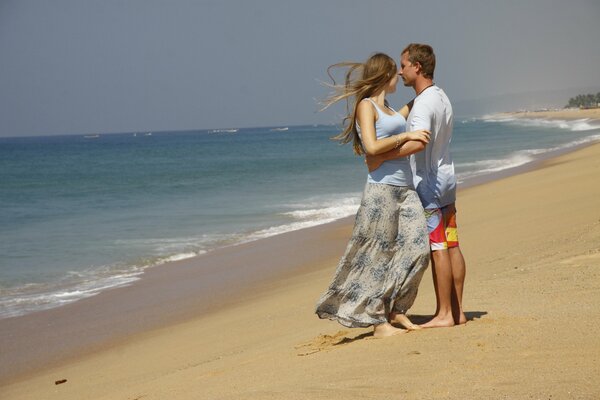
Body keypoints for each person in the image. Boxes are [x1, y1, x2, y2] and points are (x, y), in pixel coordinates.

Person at [315, 53, 431, 337]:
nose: (399, 78)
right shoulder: (367, 107)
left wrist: (428, 91)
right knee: (378, 256)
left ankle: (396, 309)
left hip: (406, 189)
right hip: (381, 192)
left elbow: (403, 115)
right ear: (386, 75)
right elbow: (371, 147)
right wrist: (407, 137)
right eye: (396, 73)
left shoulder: (390, 109)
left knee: (419, 249)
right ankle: (379, 323)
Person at [367, 44, 467, 328]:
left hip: (428, 183)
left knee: (438, 247)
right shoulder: (440, 96)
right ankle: (458, 312)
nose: (400, 71)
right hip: (447, 178)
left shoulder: (423, 103)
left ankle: (445, 313)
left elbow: (418, 141)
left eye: (404, 65)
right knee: (453, 243)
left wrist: (381, 155)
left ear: (417, 67)